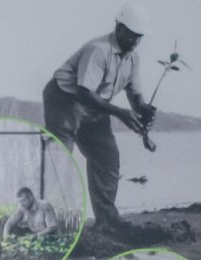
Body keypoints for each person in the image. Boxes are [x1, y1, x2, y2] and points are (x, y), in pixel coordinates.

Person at [42, 3, 157, 230]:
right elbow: (84, 92)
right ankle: (49, 220)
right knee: (61, 158)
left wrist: (144, 109)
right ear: (119, 27)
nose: (135, 40)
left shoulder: (133, 59)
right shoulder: (98, 50)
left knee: (107, 157)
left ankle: (106, 219)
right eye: (132, 34)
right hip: (64, 99)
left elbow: (135, 94)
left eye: (139, 36)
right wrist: (120, 113)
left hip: (95, 105)